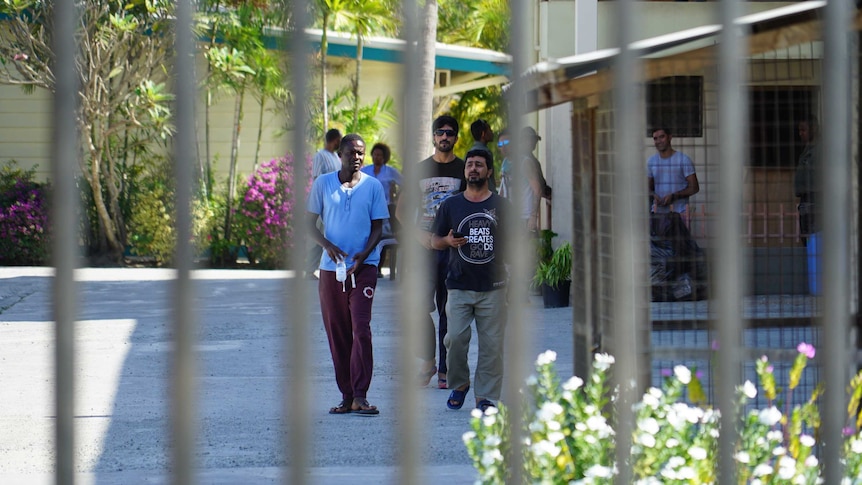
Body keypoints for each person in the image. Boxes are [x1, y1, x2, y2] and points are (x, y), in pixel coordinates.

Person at [306, 133, 390, 416]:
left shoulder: (373, 186)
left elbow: (378, 227)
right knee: (338, 333)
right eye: (351, 152)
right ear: (339, 153)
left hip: (363, 268)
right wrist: (327, 246)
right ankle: (346, 396)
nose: (356, 157)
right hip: (332, 271)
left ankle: (361, 395)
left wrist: (363, 256)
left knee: (361, 329)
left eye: (361, 152)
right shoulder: (323, 184)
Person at [430, 145, 509, 412]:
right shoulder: (451, 204)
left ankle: (484, 396)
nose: (473, 168)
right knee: (454, 340)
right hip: (458, 285)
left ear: (488, 171)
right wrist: (447, 241)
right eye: (469, 164)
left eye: (478, 164)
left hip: (494, 287)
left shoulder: (501, 205)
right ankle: (460, 383)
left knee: (492, 346)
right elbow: (434, 240)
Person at [395, 114, 466, 390]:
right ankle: (427, 361)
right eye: (440, 132)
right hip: (424, 249)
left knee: (449, 311)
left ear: (456, 138)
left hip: (454, 251)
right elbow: (401, 212)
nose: (444, 137)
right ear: (434, 137)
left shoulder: (464, 168)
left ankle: (446, 370)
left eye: (450, 132)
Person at [361, 142, 402, 276]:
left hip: (386, 210)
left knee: (380, 237)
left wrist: (397, 198)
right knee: (367, 237)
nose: (377, 157)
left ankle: (377, 269)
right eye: (375, 154)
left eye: (380, 155)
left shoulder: (391, 171)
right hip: (367, 210)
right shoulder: (365, 170)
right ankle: (366, 266)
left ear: (384, 157)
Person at [307, 128, 343, 279]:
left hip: (336, 203)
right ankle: (309, 269)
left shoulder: (336, 157)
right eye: (339, 140)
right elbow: (316, 179)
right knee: (318, 237)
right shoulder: (320, 156)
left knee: (332, 235)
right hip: (322, 203)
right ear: (334, 140)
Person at [647, 127, 699, 217]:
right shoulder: (651, 161)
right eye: (655, 138)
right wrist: (654, 196)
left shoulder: (683, 160)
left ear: (670, 137)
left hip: (680, 214)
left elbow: (694, 188)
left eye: (662, 137)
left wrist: (674, 196)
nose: (658, 141)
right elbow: (648, 188)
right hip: (658, 214)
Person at [518, 126, 551, 234]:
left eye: (535, 140)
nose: (534, 143)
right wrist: (533, 216)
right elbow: (540, 188)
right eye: (531, 140)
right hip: (525, 214)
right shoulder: (529, 161)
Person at [793, 116, 818, 242]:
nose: (800, 133)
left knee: (814, 240)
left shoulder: (818, 151)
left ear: (813, 129)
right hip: (806, 202)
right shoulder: (806, 151)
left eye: (804, 130)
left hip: (814, 201)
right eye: (799, 130)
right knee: (807, 240)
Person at [470, 119, 496, 192]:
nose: (492, 132)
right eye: (489, 129)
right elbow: (488, 179)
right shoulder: (485, 153)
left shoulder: (469, 153)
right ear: (483, 134)